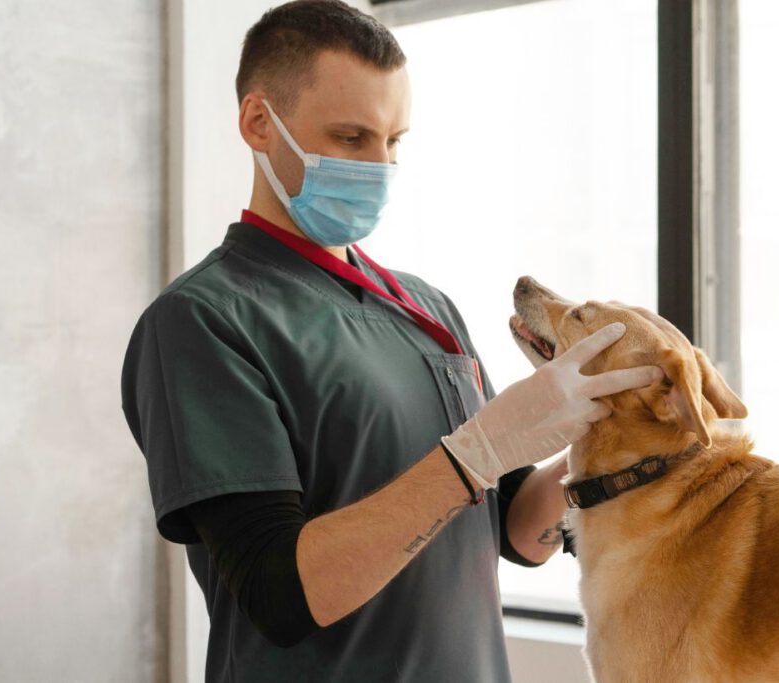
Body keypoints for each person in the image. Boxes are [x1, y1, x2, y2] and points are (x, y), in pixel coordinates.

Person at [120, 1, 662, 681]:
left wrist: (601, 440)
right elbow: (281, 596)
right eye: (351, 137)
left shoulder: (425, 308)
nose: (379, 165)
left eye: (394, 141)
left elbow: (514, 533)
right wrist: (477, 452)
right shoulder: (203, 321)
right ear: (258, 122)